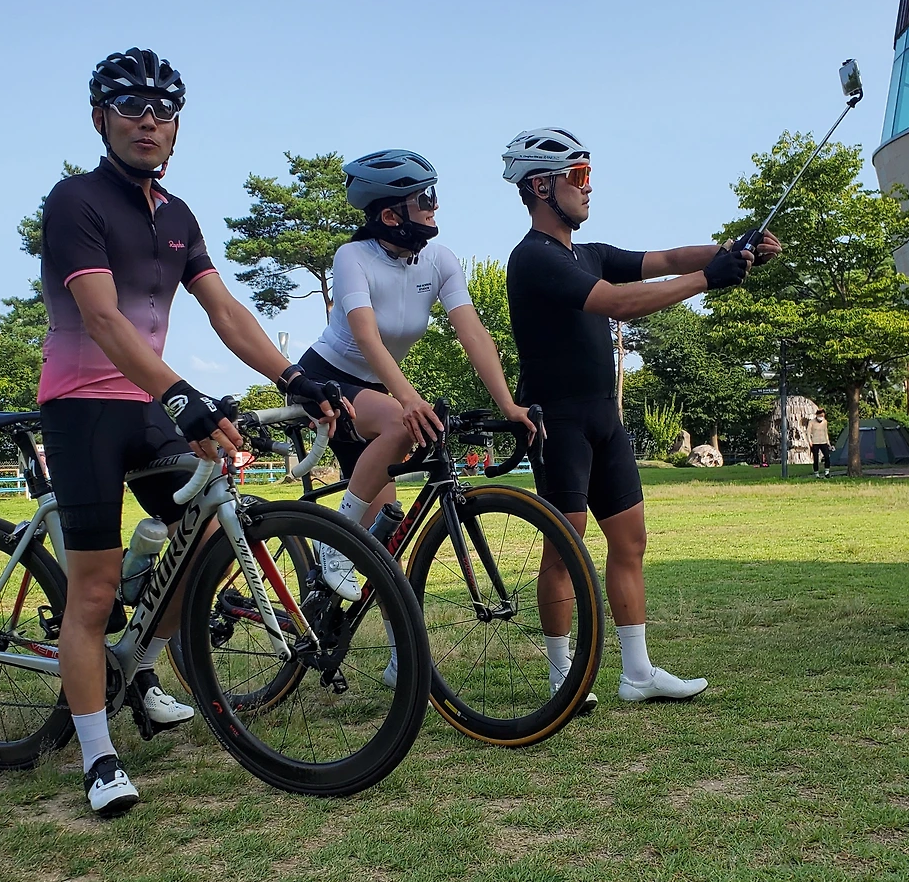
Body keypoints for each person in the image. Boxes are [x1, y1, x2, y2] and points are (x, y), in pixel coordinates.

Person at [38, 48, 339, 818]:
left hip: (145, 404)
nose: (148, 120)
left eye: (163, 110)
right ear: (99, 118)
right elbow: (102, 317)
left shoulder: (177, 217)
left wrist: (293, 377)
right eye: (130, 106)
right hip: (82, 407)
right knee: (93, 588)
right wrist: (180, 394)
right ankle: (98, 755)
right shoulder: (76, 201)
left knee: (204, 538)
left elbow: (225, 311)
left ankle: (137, 662)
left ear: (176, 128)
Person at [503, 128, 779, 703]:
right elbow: (618, 303)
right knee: (564, 551)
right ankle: (561, 677)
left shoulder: (590, 254)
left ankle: (637, 673)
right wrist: (709, 279)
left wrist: (732, 248)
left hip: (604, 419)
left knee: (630, 543)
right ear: (541, 186)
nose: (589, 187)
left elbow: (669, 259)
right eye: (578, 176)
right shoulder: (532, 258)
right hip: (559, 423)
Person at [293, 151, 535, 634]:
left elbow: (473, 334)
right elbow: (366, 337)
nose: (434, 206)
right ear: (390, 215)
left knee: (388, 541)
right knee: (401, 423)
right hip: (323, 380)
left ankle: (397, 659)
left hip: (377, 389)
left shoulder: (440, 260)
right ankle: (334, 542)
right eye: (425, 199)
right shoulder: (352, 257)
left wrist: (508, 404)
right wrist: (407, 399)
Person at [808, 408, 831, 477]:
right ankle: (816, 473)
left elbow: (825, 432)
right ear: (817, 415)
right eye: (820, 416)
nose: (821, 417)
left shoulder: (825, 422)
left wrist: (828, 442)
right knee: (816, 458)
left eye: (823, 416)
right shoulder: (811, 422)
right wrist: (810, 441)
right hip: (815, 442)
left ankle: (827, 472)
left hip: (823, 441)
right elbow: (808, 432)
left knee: (827, 457)